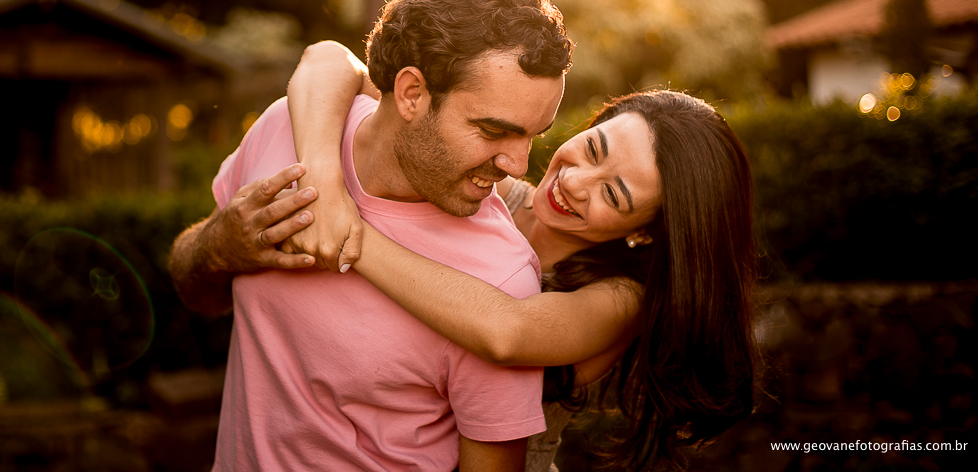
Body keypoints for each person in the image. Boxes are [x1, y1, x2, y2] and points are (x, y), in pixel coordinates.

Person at [168, 0, 574, 471]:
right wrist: (219, 244)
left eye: (532, 137)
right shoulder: (287, 128)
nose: (517, 166)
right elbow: (191, 286)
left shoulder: (502, 280)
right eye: (494, 131)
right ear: (411, 93)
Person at [275, 41, 760, 472]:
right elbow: (327, 60)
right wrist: (322, 182)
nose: (573, 183)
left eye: (613, 195)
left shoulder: (621, 299)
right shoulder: (488, 190)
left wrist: (346, 231)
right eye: (592, 149)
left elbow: (506, 332)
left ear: (645, 232)